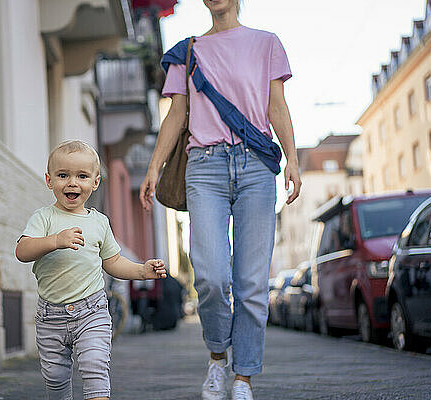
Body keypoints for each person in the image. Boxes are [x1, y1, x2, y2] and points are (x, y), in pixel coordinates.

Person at [139, 1, 301, 399]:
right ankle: (217, 358)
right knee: (210, 275)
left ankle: (243, 378)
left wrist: (293, 160)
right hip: (204, 166)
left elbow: (276, 106)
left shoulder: (266, 44)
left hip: (256, 166)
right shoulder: (187, 51)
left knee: (250, 283)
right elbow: (176, 115)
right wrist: (153, 167)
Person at [16, 140, 167, 400]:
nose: (72, 183)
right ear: (49, 180)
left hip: (92, 310)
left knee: (95, 365)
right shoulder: (44, 218)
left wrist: (142, 271)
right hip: (51, 315)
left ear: (95, 182)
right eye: (63, 175)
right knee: (55, 376)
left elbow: (113, 261)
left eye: (82, 176)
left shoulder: (99, 222)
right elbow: (22, 251)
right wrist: (55, 241)